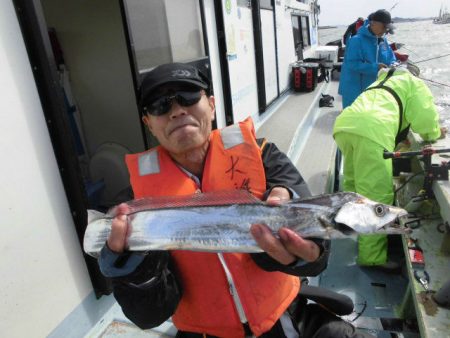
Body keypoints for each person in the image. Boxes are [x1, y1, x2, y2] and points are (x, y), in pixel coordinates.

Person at [97, 62, 374, 337]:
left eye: (190, 96)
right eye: (160, 105)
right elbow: (149, 316)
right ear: (148, 124)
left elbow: (317, 257)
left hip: (283, 318)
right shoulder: (135, 207)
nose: (177, 111)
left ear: (212, 104)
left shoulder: (264, 156)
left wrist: (302, 253)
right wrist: (134, 273)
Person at [333, 66, 445, 268]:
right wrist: (433, 134)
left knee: (353, 184)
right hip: (372, 132)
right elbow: (425, 120)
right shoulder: (414, 84)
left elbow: (385, 110)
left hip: (345, 125)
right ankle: (372, 258)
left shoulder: (381, 81)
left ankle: (349, 228)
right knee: (376, 198)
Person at [338, 9, 397, 108]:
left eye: (387, 29)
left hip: (373, 90)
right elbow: (352, 64)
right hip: (354, 91)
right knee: (353, 120)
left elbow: (391, 57)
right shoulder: (356, 41)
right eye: (384, 27)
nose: (385, 31)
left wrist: (394, 64)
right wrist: (375, 67)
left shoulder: (383, 40)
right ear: (373, 23)